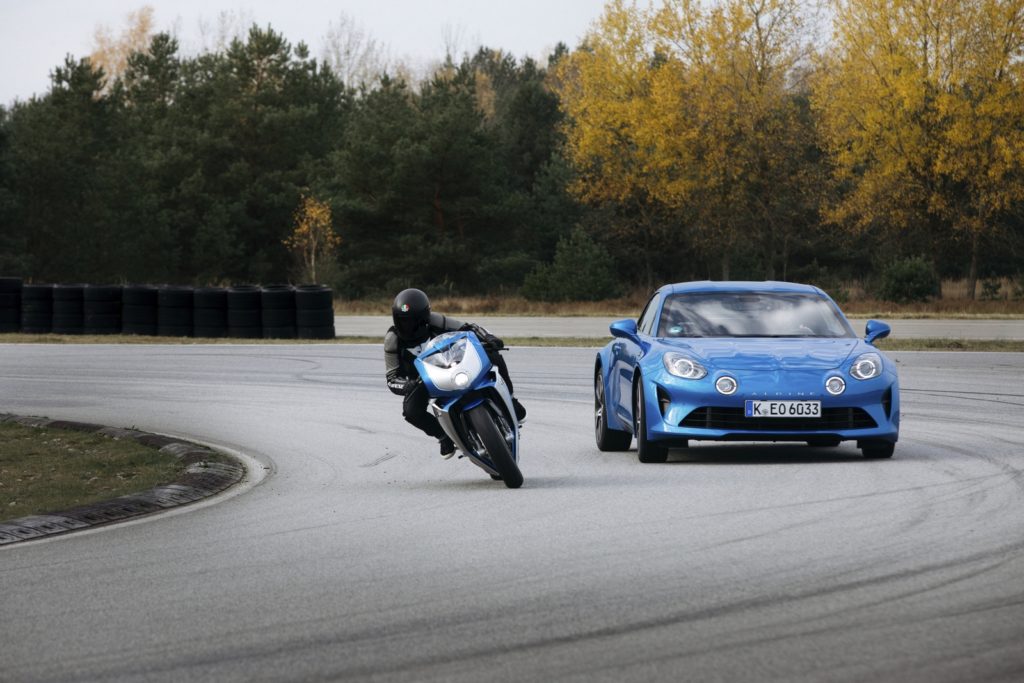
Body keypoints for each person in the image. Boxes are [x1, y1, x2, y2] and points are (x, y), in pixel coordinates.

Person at [384, 288, 526, 458]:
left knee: (493, 355)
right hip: (423, 380)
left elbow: (469, 328)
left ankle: (511, 400)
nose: (407, 326)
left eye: (413, 321)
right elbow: (391, 377)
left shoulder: (436, 320)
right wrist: (407, 385)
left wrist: (489, 338)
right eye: (402, 321)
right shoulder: (392, 340)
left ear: (425, 317)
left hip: (454, 363)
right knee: (411, 412)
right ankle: (443, 436)